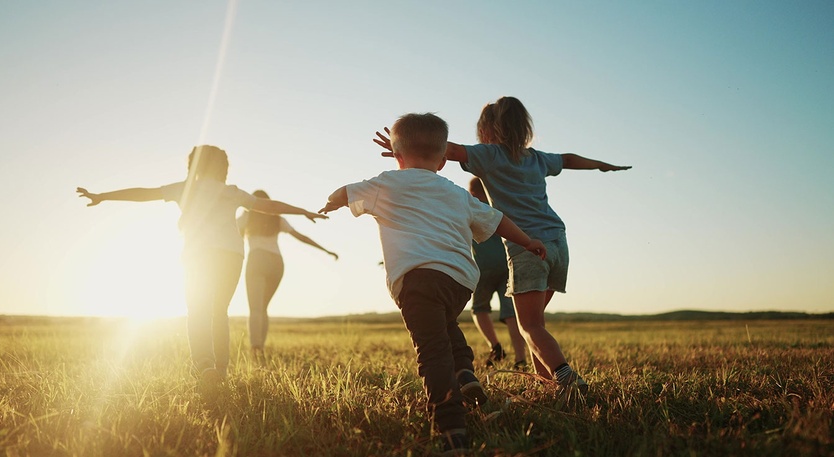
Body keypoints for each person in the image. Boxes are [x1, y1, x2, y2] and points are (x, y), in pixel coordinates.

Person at [375, 97, 630, 400]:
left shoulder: (489, 155)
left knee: (530, 326)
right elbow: (570, 158)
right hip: (558, 242)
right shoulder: (536, 158)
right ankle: (544, 385)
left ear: (486, 130)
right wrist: (601, 165)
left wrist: (403, 147)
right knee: (536, 324)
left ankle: (566, 378)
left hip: (527, 246)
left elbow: (446, 149)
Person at [322, 113, 546, 453]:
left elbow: (345, 192)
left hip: (416, 279)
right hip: (459, 282)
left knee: (432, 351)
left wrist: (331, 203)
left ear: (397, 156)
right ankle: (465, 373)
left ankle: (451, 425)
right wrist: (528, 241)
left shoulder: (385, 183)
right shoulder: (456, 193)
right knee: (444, 325)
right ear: (443, 161)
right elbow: (498, 220)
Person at [76, 145, 326, 387]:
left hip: (199, 254)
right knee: (220, 312)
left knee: (198, 310)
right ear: (223, 168)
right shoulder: (232, 192)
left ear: (195, 164)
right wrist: (303, 210)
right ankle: (221, 370)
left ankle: (205, 366)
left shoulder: (185, 189)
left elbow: (143, 193)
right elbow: (269, 207)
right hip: (232, 255)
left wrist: (102, 196)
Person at [238, 189, 338, 364]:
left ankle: (256, 349)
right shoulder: (277, 219)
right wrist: (326, 251)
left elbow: (230, 234)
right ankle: (259, 348)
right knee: (263, 308)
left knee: (255, 309)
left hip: (257, 259)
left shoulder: (246, 217)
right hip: (276, 263)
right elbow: (301, 237)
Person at [466, 177, 528, 370]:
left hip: (483, 268)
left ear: (473, 193)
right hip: (507, 266)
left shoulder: (471, 208)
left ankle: (496, 346)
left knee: (479, 309)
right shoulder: (500, 207)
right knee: (512, 314)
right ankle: (520, 359)